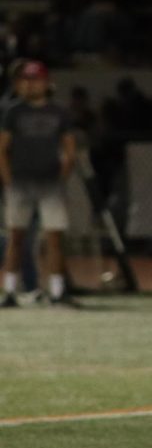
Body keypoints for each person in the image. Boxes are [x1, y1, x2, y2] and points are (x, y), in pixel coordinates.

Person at [0, 61, 76, 306]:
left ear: (46, 82)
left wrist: (62, 176)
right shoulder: (13, 111)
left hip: (49, 182)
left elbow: (69, 148)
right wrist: (8, 179)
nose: (30, 84)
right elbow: (2, 148)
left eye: (35, 79)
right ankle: (10, 291)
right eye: (26, 79)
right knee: (16, 236)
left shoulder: (58, 112)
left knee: (54, 238)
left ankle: (57, 290)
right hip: (20, 182)